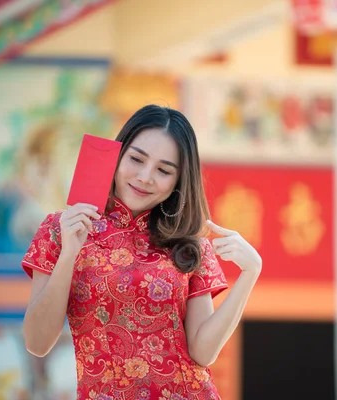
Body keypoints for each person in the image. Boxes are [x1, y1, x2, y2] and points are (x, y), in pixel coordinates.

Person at [21, 104, 262, 400]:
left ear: (177, 182)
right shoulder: (61, 229)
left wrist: (250, 273)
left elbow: (203, 351)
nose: (145, 177)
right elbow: (37, 342)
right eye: (136, 159)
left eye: (163, 170)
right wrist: (70, 253)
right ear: (117, 155)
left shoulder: (189, 244)